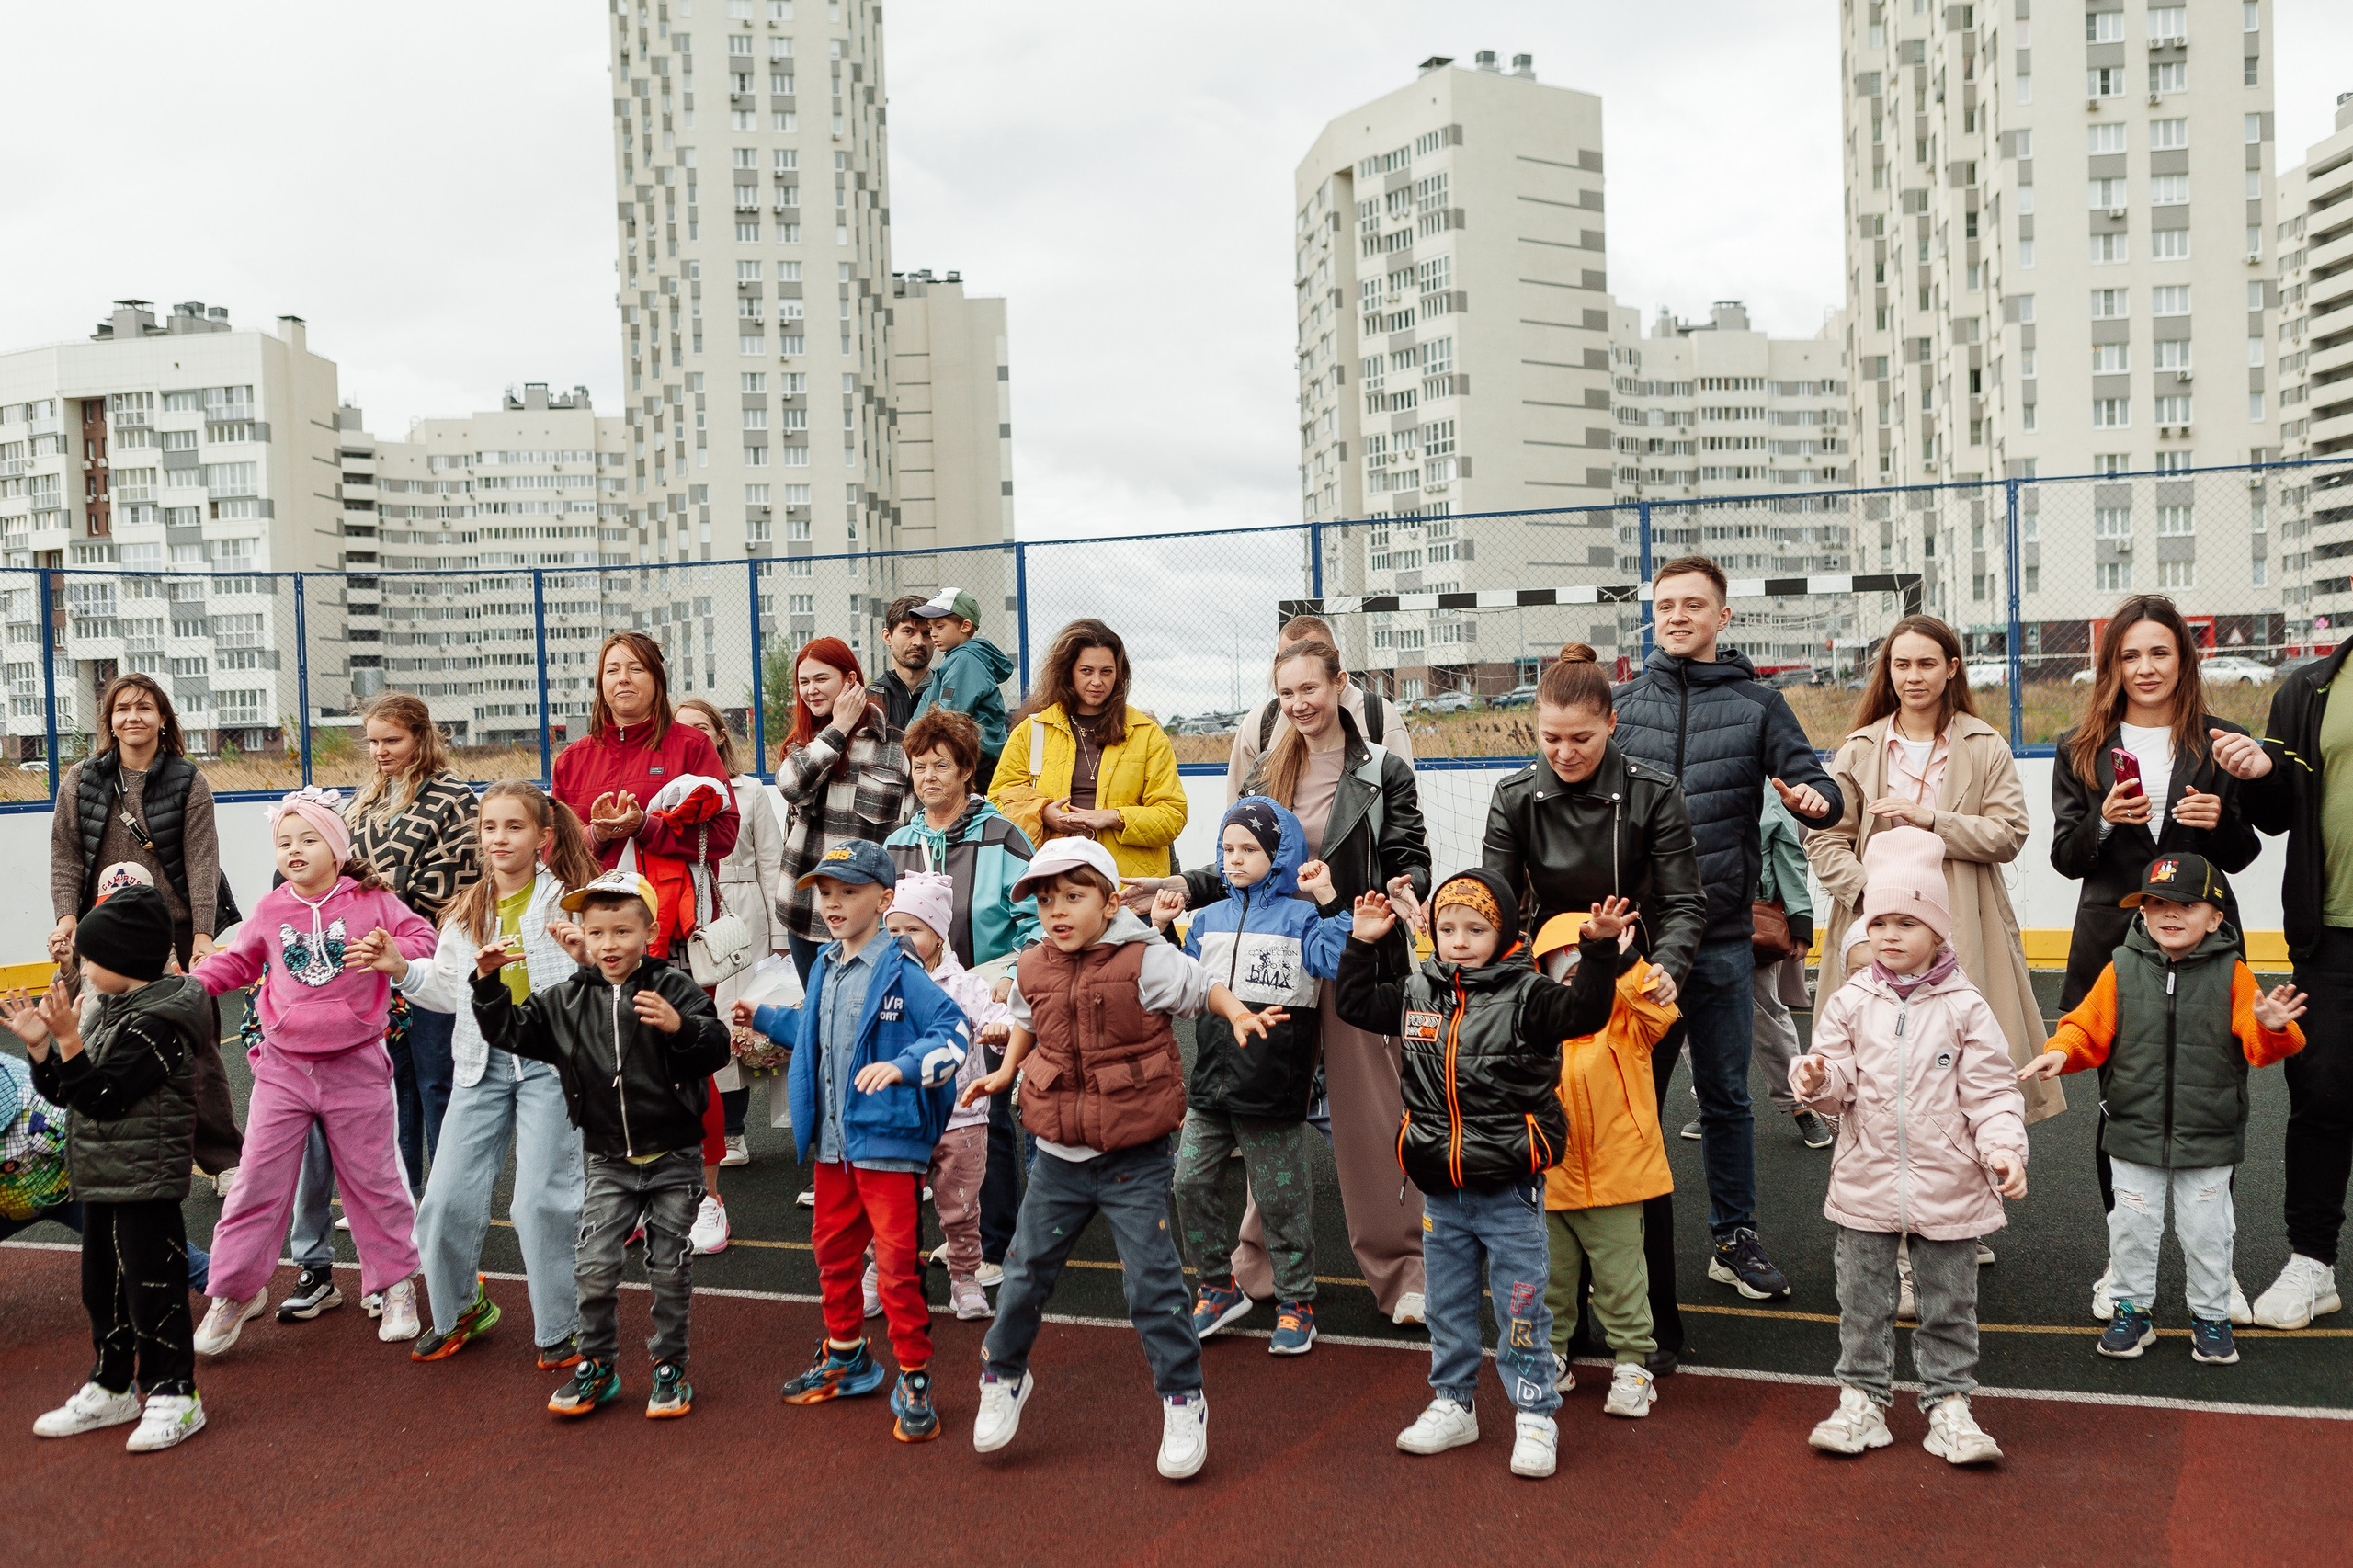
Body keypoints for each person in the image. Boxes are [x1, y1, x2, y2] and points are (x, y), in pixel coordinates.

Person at [961, 837, 1285, 1483]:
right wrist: (1005, 1073)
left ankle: (1183, 1398)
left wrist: (1238, 1012)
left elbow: (1203, 986)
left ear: (1109, 903)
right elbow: (1029, 1018)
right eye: (1047, 900)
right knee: (1024, 1277)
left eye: (1073, 897)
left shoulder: (1147, 961)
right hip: (1056, 1158)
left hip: (1133, 1159)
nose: (1058, 911)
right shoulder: (1033, 964)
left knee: (1153, 1286)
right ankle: (1002, 1376)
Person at [1145, 636, 1432, 1324]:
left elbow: (1409, 853)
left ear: (1339, 685)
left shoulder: (1384, 769)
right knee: (1261, 1114)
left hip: (1350, 955)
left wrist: (1403, 887)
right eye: (1288, 693)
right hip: (1271, 960)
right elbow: (1239, 863)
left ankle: (1403, 1275)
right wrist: (1185, 881)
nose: (1300, 703)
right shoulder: (1265, 771)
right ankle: (1256, 1270)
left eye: (1311, 688)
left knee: (1371, 1121)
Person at [1333, 871, 1617, 1482]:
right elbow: (1353, 1004)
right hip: (1441, 1188)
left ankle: (1536, 1412)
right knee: (1448, 1307)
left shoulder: (1531, 996)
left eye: (1476, 929)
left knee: (1521, 1310)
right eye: (1447, 928)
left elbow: (1586, 1009)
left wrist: (1597, 951)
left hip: (1509, 1189)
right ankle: (1454, 1404)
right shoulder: (1418, 990)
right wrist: (1360, 944)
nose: (1458, 941)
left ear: (1506, 932)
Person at [1610, 556, 1842, 1302]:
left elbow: (1821, 783)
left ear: (1722, 617)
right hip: (1634, 948)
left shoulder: (1758, 704)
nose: (1677, 616)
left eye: (1692, 605)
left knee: (1725, 1100)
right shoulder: (1623, 703)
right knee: (1629, 1099)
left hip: (1717, 943)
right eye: (1665, 604)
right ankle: (1620, 1242)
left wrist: (1817, 801)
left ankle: (1733, 1238)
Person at [1482, 643, 1703, 1364]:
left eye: (1581, 737)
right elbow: (1496, 905)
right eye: (1550, 739)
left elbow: (1683, 902)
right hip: (1546, 993)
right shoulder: (1515, 796)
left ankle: (1651, 1329)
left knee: (1635, 1149)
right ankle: (1561, 1330)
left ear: (1611, 722)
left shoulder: (1653, 792)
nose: (1565, 752)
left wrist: (1668, 967)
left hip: (1634, 995)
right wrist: (1503, 984)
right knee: (1547, 1146)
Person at [2048, 598, 2266, 1320]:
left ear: (2184, 661)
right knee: (2124, 1111)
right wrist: (2106, 821)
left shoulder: (2220, 740)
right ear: (2113, 665)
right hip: (2115, 952)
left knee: (2210, 1109)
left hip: (2206, 959)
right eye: (2130, 655)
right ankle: (2124, 1260)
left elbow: (2241, 854)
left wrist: (2222, 821)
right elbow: (2065, 857)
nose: (2145, 668)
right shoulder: (2080, 746)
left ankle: (2216, 1269)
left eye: (2159, 653)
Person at [1792, 824, 2027, 1467]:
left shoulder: (1966, 1006)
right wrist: (1815, 1081)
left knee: (1949, 1301)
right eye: (1878, 922)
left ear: (1937, 929)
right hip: (1867, 1181)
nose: (1888, 935)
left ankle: (1949, 1405)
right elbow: (1835, 1085)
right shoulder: (1848, 1003)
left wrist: (2005, 1149)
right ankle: (1862, 1400)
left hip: (1951, 1184)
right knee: (1862, 1300)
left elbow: (1992, 1093)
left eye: (1905, 921)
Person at [2021, 853, 2307, 1369]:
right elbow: (2086, 1026)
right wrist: (2061, 1050)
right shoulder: (2122, 968)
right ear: (2142, 913)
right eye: (2155, 903)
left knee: (2207, 1231)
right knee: (2130, 1227)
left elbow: (2263, 1049)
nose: (2167, 913)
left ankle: (2211, 1316)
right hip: (2132, 1129)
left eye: (2185, 904)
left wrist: (2273, 1025)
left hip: (2209, 1133)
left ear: (2217, 918)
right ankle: (2132, 1310)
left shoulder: (2234, 975)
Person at [472, 869, 733, 1419]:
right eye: (597, 933)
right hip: (609, 1158)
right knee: (592, 1265)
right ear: (582, 936)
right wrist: (488, 984)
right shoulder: (565, 1000)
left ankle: (669, 1370)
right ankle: (597, 1365)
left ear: (649, 933)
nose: (609, 944)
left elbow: (715, 1047)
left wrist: (680, 1028)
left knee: (668, 1266)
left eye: (621, 931)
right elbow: (510, 1031)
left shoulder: (672, 988)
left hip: (673, 1156)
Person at [188, 789, 439, 1354]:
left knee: (374, 1182)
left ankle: (396, 1285)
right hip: (283, 1070)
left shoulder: (373, 900)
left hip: (357, 1066)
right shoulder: (272, 907)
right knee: (256, 1181)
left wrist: (392, 952)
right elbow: (239, 960)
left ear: (336, 847)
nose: (294, 850)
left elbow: (423, 938)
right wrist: (191, 982)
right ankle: (232, 1292)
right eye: (283, 842)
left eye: (308, 839)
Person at [358, 781, 600, 1366]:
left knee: (539, 1201)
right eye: (489, 828)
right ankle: (462, 1308)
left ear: (543, 838)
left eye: (513, 827)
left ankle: (561, 1326)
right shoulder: (468, 908)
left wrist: (586, 958)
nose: (499, 839)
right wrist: (400, 968)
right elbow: (446, 989)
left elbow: (604, 978)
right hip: (480, 1064)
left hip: (549, 1066)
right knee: (441, 1201)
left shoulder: (571, 903)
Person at [745, 844, 971, 1443]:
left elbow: (954, 1034)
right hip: (831, 1147)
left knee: (896, 1266)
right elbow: (816, 1031)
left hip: (888, 1145)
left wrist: (903, 1067)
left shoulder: (902, 972)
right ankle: (847, 1355)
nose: (834, 904)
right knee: (833, 1253)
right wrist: (765, 1017)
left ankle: (915, 1374)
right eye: (826, 892)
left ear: (884, 898)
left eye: (849, 891)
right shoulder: (823, 965)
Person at [1809, 615, 2058, 1139]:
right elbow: (1826, 839)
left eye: (1926, 663)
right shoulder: (1859, 748)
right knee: (1877, 1052)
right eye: (1902, 664)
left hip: (1961, 915)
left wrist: (1932, 820)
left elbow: (2009, 834)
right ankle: (1880, 1174)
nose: (1913, 676)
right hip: (1873, 924)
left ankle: (1966, 1168)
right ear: (1888, 671)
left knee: (1958, 1054)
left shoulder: (1985, 745)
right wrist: (1873, 898)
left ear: (1952, 669)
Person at [12, 885, 214, 1452]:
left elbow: (104, 1094)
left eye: (89, 959)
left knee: (155, 1287)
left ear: (123, 961)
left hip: (145, 1178)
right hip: (102, 1175)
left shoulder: (161, 1024)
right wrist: (43, 1051)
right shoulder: (109, 1010)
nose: (80, 968)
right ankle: (112, 1382)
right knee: (103, 1288)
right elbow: (67, 1093)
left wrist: (71, 1041)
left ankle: (175, 1393)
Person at [1164, 798, 1349, 1357]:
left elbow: (1338, 961)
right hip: (1212, 1087)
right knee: (1187, 1183)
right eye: (1227, 849)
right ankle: (1218, 1287)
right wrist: (1162, 933)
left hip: (1273, 1089)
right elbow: (1185, 985)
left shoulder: (1302, 919)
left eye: (1249, 849)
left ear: (1280, 854)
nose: (1235, 859)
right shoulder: (1207, 918)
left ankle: (1298, 1303)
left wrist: (1328, 900)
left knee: (1281, 1200)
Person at [47, 673, 241, 1195]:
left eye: (144, 707)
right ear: (109, 720)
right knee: (91, 1037)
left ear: (162, 718)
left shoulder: (187, 780)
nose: (132, 716)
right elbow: (66, 855)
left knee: (196, 1045)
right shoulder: (80, 782)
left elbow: (203, 863)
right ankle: (85, 1151)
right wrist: (68, 918)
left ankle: (223, 1159)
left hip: (171, 932)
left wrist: (203, 933)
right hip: (103, 936)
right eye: (121, 708)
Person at [888, 707, 1038, 1279]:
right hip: (916, 1010)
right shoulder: (899, 841)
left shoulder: (1003, 835)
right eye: (919, 765)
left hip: (985, 1004)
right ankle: (947, 1239)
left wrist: (1011, 973)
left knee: (987, 1122)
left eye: (940, 766)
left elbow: (1037, 921)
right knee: (924, 1126)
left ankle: (995, 1246)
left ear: (966, 770)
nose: (928, 776)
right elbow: (885, 922)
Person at [2241, 629, 2353, 1330]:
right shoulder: (2308, 691)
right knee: (2321, 1097)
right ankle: (2312, 1262)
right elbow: (2276, 816)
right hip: (2333, 933)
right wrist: (2259, 774)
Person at [1531, 910, 1678, 1421]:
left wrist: (1629, 965)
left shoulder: (1628, 1021)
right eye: (1567, 976)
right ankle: (1552, 1355)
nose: (1581, 986)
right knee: (1552, 1277)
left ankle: (1633, 1362)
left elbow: (1664, 1014)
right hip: (1551, 1178)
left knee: (1622, 1279)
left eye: (1590, 972)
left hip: (1619, 1176)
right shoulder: (1534, 1028)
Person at [340, 689, 481, 1189]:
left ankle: (449, 1194)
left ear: (421, 738)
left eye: (392, 740)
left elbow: (451, 885)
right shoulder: (364, 799)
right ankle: (400, 1191)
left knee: (437, 1078)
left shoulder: (453, 797)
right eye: (373, 742)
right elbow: (340, 866)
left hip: (430, 957)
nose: (380, 752)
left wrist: (370, 898)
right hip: (375, 962)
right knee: (392, 1082)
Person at [675, 699, 786, 1255]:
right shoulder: (667, 795)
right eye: (684, 729)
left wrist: (781, 933)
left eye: (704, 727)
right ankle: (729, 1135)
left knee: (749, 1020)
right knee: (711, 1026)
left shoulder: (751, 793)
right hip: (692, 914)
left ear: (720, 735)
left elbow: (772, 862)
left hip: (743, 910)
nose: (695, 736)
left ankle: (751, 1130)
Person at [876, 870, 1011, 1321]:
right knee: (890, 1205)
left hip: (961, 1117)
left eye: (913, 929)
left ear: (938, 934)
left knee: (960, 1207)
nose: (902, 939)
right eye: (893, 930)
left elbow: (998, 1019)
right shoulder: (880, 982)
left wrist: (998, 1029)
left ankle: (964, 1277)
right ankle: (880, 1272)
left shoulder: (965, 985)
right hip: (897, 1116)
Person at [551, 630, 741, 927]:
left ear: (657, 680)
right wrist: (598, 834)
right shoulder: (572, 760)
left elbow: (724, 835)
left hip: (675, 928)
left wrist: (645, 827)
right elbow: (552, 849)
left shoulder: (692, 746)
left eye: (635, 668)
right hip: (597, 933)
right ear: (601, 683)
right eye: (612, 670)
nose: (623, 678)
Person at [989, 618, 1186, 881]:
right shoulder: (1031, 732)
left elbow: (1172, 815)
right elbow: (998, 804)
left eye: (1107, 671)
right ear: (1068, 671)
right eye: (1086, 671)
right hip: (1054, 880)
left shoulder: (1146, 734)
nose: (1097, 681)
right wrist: (1043, 812)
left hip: (1125, 887)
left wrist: (1115, 817)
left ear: (1119, 674)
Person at [775, 637, 913, 985]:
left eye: (821, 679)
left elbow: (909, 833)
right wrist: (837, 730)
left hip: (871, 922)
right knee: (820, 1023)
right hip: (807, 914)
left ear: (850, 680)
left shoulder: (897, 748)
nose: (811, 691)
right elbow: (791, 786)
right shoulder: (803, 745)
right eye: (803, 682)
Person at [1729, 794, 1831, 1149]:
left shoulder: (1763, 787)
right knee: (1691, 1017)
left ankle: (1801, 1103)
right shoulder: (1676, 771)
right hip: (1689, 914)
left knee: (1766, 1013)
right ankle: (1711, 1099)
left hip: (1750, 918)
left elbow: (1789, 853)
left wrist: (1800, 920)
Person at [1224, 612, 1413, 798]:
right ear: (1276, 663)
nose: (1299, 664)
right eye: (1288, 657)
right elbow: (1238, 813)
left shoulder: (1378, 716)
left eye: (1313, 653)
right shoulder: (1259, 725)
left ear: (1335, 662)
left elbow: (1407, 810)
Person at [908, 586, 1016, 784]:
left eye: (940, 626)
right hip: (967, 757)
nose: (933, 634)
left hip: (973, 761)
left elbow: (948, 719)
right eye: (930, 628)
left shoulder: (965, 660)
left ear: (965, 626)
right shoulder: (958, 659)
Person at [870, 594, 936, 733]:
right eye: (908, 631)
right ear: (887, 637)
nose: (919, 642)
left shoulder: (948, 691)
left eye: (927, 633)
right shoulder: (871, 699)